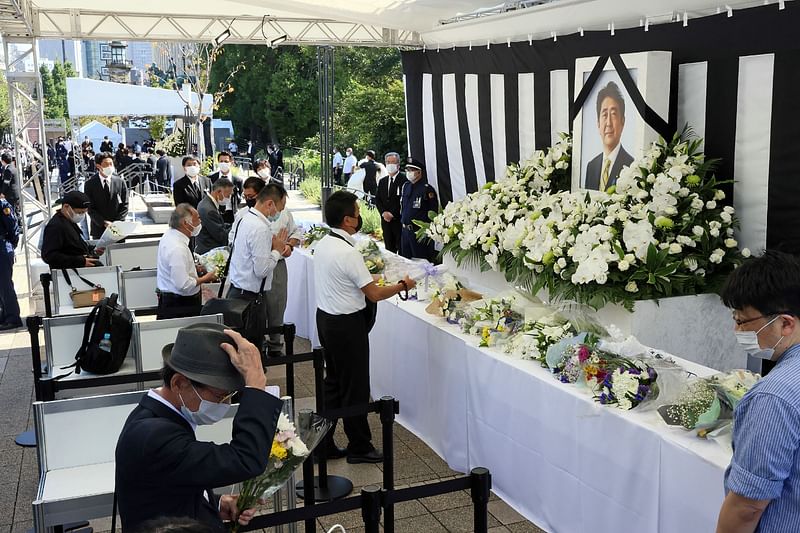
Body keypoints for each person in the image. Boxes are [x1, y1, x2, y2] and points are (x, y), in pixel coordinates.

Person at [115, 323, 282, 532]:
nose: (225, 404)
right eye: (220, 396)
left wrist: (218, 504)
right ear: (179, 383)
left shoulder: (159, 417)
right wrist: (256, 386)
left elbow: (171, 485)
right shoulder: (155, 436)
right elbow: (245, 459)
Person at [314, 191, 416, 463]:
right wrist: (402, 286)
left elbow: (352, 281)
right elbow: (374, 294)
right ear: (348, 220)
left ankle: (322, 442)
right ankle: (359, 445)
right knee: (356, 386)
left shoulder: (325, 243)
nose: (359, 218)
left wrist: (375, 277)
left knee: (334, 382)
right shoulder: (347, 252)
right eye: (357, 214)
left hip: (326, 320)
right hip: (347, 326)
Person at [715, 250, 800, 533]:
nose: (735, 329)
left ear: (785, 323)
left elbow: (746, 506)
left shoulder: (774, 396)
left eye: (742, 321)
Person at [227, 183, 288, 351]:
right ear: (269, 204)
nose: (278, 214)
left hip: (237, 292)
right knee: (251, 354)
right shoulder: (260, 228)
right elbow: (261, 270)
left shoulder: (245, 219)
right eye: (279, 209)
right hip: (250, 300)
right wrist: (277, 251)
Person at [156, 204, 217, 319]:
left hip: (172, 301)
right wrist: (206, 278)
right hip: (180, 305)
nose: (200, 222)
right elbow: (183, 285)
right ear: (185, 223)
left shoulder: (169, 235)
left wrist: (193, 268)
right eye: (197, 218)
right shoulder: (177, 248)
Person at [262, 187, 303, 357]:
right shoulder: (247, 217)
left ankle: (275, 345)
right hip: (259, 264)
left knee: (277, 305)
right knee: (258, 308)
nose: (282, 208)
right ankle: (258, 342)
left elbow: (295, 232)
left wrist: (289, 245)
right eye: (281, 204)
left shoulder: (285, 213)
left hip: (278, 265)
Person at [584, 81, 635, 191]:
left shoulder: (632, 166)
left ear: (623, 121)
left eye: (613, 114)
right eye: (604, 115)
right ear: (598, 123)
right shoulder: (591, 167)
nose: (608, 123)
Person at [41, 191, 102, 269]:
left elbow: (73, 246)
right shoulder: (56, 226)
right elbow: (49, 256)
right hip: (70, 275)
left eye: (84, 213)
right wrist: (79, 261)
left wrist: (94, 249)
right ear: (66, 207)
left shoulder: (69, 221)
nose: (81, 216)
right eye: (79, 212)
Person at [399, 158, 438, 261]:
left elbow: (433, 212)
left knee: (420, 262)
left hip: (418, 233)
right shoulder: (406, 186)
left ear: (419, 172)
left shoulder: (427, 189)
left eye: (411, 170)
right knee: (406, 261)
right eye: (407, 170)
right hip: (405, 231)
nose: (408, 172)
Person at [84, 152, 129, 239]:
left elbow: (125, 204)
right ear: (98, 166)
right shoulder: (90, 184)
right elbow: (90, 208)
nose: (109, 167)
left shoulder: (120, 181)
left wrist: (117, 223)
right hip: (99, 228)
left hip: (118, 229)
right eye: (106, 164)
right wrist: (103, 222)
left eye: (111, 164)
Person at [375, 152, 406, 254]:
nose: (390, 165)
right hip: (386, 221)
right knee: (389, 249)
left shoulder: (404, 180)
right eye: (388, 162)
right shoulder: (382, 181)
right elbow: (378, 199)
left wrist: (392, 214)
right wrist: (383, 212)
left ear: (398, 164)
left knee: (401, 249)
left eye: (393, 162)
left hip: (398, 220)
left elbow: (403, 200)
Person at [196, 178, 234, 255]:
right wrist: (236, 226)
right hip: (209, 252)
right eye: (228, 195)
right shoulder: (209, 209)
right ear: (219, 192)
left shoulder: (207, 202)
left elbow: (219, 224)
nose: (229, 198)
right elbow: (221, 236)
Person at [0, 197, 21, 330]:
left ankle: (13, 318)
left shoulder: (2, 204)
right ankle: (3, 316)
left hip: (1, 247)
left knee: (4, 284)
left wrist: (10, 244)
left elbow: (12, 225)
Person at [208, 151, 241, 224]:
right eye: (221, 161)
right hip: (215, 213)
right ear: (218, 162)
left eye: (226, 161)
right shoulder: (210, 179)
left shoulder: (238, 180)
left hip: (231, 214)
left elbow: (239, 198)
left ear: (231, 162)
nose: (223, 164)